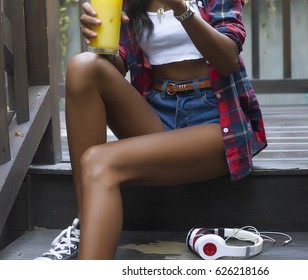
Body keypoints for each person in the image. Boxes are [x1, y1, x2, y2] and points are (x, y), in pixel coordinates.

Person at [35, 0, 267, 260]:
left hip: (215, 120)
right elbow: (120, 62)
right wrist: (99, 37)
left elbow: (227, 59)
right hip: (158, 111)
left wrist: (181, 8)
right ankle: (85, 226)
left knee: (98, 162)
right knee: (83, 66)